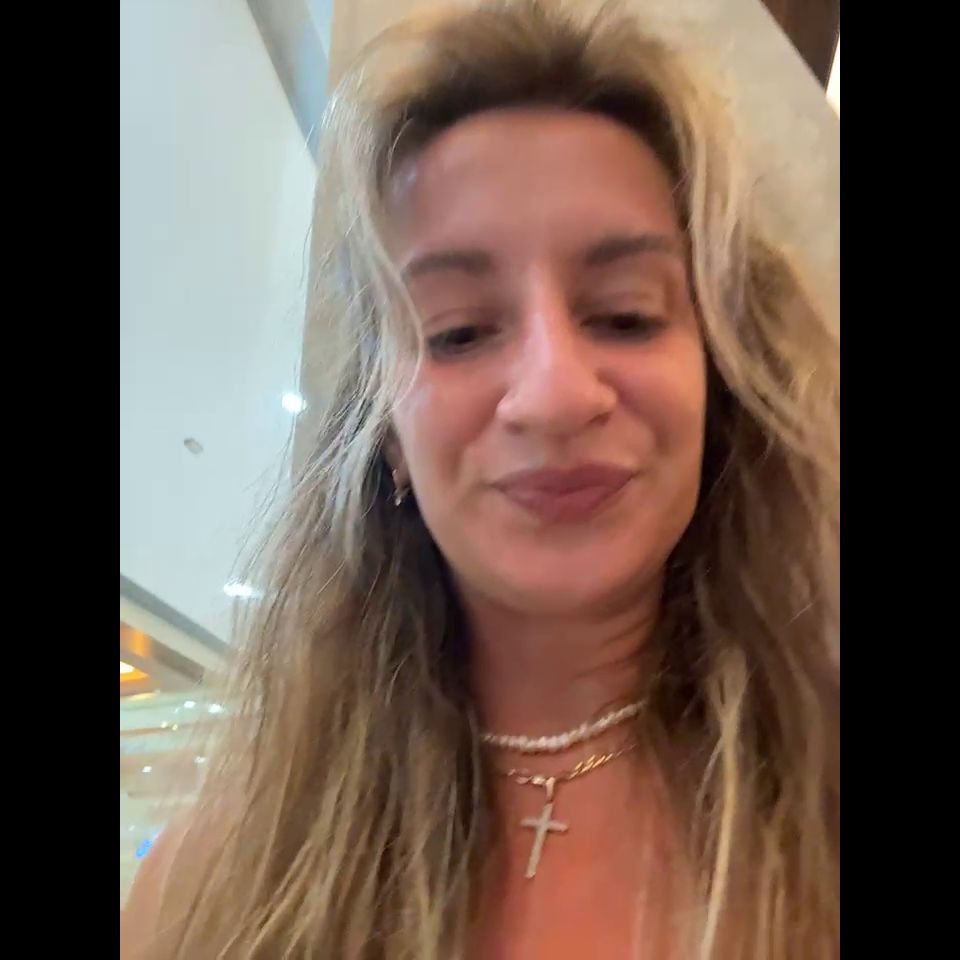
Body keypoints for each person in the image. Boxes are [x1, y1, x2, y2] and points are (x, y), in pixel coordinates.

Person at [121, 1, 840, 957]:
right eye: (458, 332)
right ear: (386, 435)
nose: (554, 395)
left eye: (625, 315)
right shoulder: (217, 877)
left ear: (719, 382)